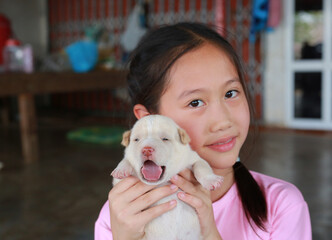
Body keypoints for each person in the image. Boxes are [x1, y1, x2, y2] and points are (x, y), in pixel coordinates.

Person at [95, 22, 311, 240]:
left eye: (230, 93)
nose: (223, 121)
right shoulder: (121, 218)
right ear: (150, 119)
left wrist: (209, 234)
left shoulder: (282, 205)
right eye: (196, 102)